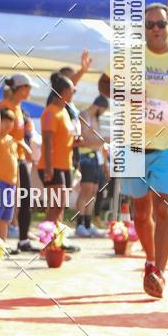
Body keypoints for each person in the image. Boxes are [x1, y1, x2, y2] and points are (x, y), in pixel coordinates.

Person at [99, 3, 168, 298]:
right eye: (149, 25)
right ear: (143, 29)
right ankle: (149, 260)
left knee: (164, 210)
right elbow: (104, 83)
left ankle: (158, 274)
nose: (155, 30)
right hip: (132, 143)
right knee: (140, 212)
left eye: (160, 24)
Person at [0, 73, 35, 251]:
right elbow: (3, 134)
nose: (29, 91)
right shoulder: (4, 107)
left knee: (25, 199)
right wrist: (24, 146)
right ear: (19, 88)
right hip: (6, 160)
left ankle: (23, 239)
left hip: (18, 158)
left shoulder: (19, 108)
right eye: (27, 87)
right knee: (3, 201)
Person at [39, 75, 76, 235]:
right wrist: (49, 168)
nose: (74, 92)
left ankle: (56, 244)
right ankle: (47, 244)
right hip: (52, 165)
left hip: (65, 164)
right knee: (55, 205)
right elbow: (47, 142)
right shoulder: (50, 112)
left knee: (60, 206)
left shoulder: (64, 111)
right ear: (64, 91)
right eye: (72, 89)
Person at [74, 95, 109, 237]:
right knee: (86, 190)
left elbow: (95, 142)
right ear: (99, 106)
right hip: (85, 157)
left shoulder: (95, 119)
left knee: (93, 191)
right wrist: (103, 139)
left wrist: (105, 164)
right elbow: (84, 139)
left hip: (95, 157)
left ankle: (88, 223)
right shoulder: (84, 116)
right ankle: (80, 223)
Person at [0, 109, 19, 242]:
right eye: (5, 120)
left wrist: (17, 185)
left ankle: (2, 245)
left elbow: (16, 165)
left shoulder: (13, 141)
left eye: (11, 121)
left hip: (11, 184)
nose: (8, 124)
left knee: (6, 217)